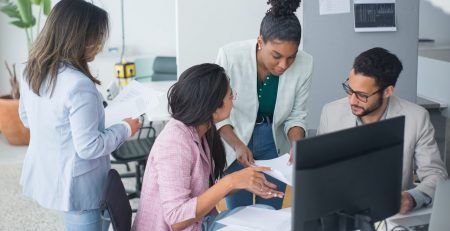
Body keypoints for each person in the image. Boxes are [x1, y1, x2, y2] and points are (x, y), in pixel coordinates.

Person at [19, 0, 140, 230]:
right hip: (80, 185)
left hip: (53, 171)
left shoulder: (31, 72)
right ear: (79, 38)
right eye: (97, 37)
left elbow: (27, 119)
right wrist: (125, 128)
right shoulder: (78, 84)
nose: (99, 45)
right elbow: (89, 147)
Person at [132, 64, 284, 231]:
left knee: (266, 212)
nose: (233, 99)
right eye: (230, 95)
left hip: (200, 223)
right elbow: (176, 219)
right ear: (213, 107)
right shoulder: (174, 143)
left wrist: (240, 183)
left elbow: (200, 193)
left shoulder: (200, 131)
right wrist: (231, 182)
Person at [317, 47, 448, 214]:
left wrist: (412, 198)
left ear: (387, 91)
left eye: (362, 95)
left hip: (390, 215)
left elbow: (436, 175)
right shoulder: (331, 112)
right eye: (349, 89)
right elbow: (319, 170)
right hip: (340, 212)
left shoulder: (416, 117)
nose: (352, 100)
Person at [215, 0, 313, 210]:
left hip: (274, 140)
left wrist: (297, 145)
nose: (283, 65)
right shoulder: (230, 57)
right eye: (276, 56)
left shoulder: (306, 64)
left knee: (271, 205)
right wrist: (238, 145)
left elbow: (296, 116)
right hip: (235, 136)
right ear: (260, 41)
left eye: (291, 57)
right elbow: (218, 112)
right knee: (238, 211)